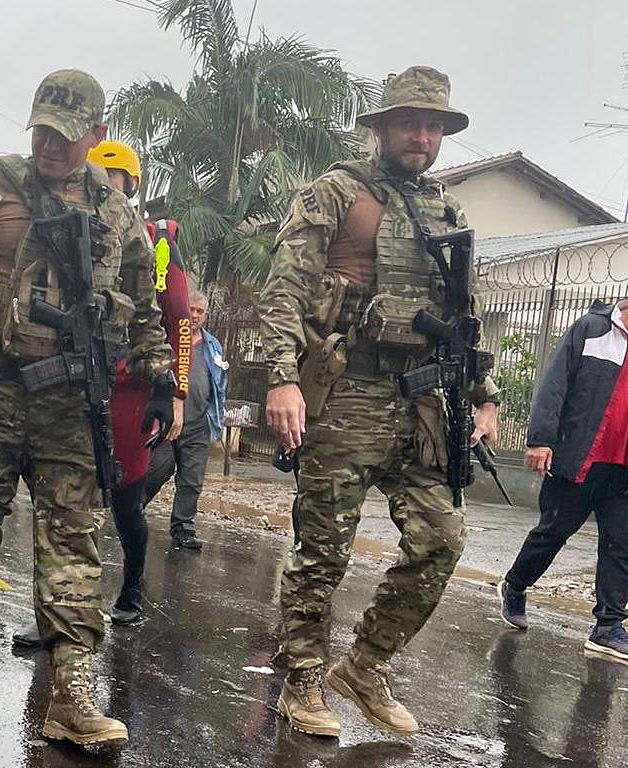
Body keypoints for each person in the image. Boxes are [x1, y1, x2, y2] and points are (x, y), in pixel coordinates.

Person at [0, 70, 175, 747]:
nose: (49, 145)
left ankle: (70, 692)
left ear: (96, 133)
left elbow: (144, 307)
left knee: (73, 539)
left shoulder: (118, 215)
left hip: (70, 398)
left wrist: (162, 381)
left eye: (65, 135)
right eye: (41, 131)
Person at [257, 65, 500, 738]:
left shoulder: (447, 210)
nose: (421, 136)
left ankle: (365, 665)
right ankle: (304, 677)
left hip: (420, 402)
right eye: (409, 123)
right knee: (323, 550)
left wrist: (483, 394)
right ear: (383, 128)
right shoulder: (337, 193)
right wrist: (281, 378)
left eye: (433, 126)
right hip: (344, 393)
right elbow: (285, 290)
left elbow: (466, 311)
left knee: (441, 539)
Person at [11, 140, 193, 647]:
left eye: (115, 179)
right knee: (59, 499)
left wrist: (174, 391)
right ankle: (56, 610)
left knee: (126, 497)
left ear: (131, 185)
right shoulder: (55, 224)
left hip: (129, 386)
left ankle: (131, 589)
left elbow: (177, 318)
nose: (104, 185)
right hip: (64, 379)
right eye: (98, 175)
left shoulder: (153, 242)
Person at [497, 300, 628, 663]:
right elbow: (554, 385)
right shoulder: (591, 330)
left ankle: (608, 627)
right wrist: (541, 439)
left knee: (621, 545)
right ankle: (515, 585)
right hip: (579, 458)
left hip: (623, 469)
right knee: (553, 532)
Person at [143, 288, 225, 550]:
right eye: (191, 309)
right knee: (158, 469)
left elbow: (218, 384)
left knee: (192, 479)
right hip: (168, 420)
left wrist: (216, 417)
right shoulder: (169, 340)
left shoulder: (212, 346)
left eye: (200, 311)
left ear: (206, 315)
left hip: (198, 422)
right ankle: (132, 507)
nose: (195, 315)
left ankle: (183, 526)